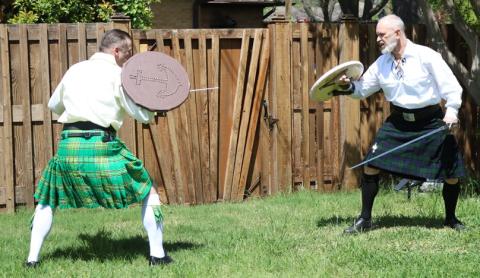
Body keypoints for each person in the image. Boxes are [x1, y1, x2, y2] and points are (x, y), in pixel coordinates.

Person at [26, 29, 173, 267]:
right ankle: (158, 256)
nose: (129, 58)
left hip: (68, 147)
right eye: (128, 52)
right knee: (148, 190)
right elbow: (140, 115)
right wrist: (154, 109)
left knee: (47, 197)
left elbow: (54, 105)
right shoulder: (119, 75)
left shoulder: (75, 69)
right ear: (116, 51)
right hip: (102, 145)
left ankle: (32, 260)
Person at [335, 14, 466, 233]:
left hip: (430, 122)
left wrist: (451, 112)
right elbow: (362, 89)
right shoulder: (382, 63)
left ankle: (451, 219)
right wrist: (348, 87)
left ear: (398, 33)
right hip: (398, 123)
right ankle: (364, 220)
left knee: (451, 172)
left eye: (381, 35)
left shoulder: (426, 56)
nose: (378, 39)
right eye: (377, 35)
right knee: (371, 163)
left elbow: (451, 86)